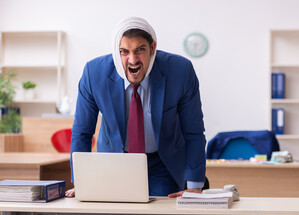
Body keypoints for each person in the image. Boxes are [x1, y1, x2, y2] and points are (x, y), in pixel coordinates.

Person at [65, 17, 206, 198]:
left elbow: (193, 132)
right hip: (113, 162)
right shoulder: (94, 74)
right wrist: (83, 181)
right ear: (117, 52)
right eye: (124, 52)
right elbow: (82, 133)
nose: (133, 60)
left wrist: (194, 186)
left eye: (140, 50)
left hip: (162, 163)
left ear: (152, 48)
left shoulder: (180, 71)